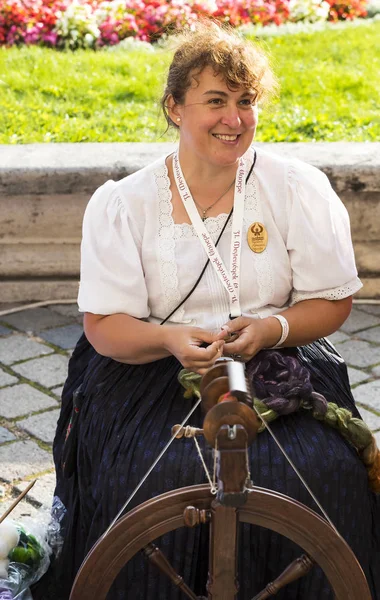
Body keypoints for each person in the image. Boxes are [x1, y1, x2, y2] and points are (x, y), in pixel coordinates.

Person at [32, 21, 379, 600]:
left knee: (326, 473)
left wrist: (274, 326)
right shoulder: (125, 204)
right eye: (215, 101)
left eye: (246, 101)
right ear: (174, 107)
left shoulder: (295, 189)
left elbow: (333, 301)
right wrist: (169, 339)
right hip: (151, 370)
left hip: (280, 363)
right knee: (148, 475)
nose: (234, 118)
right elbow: (105, 328)